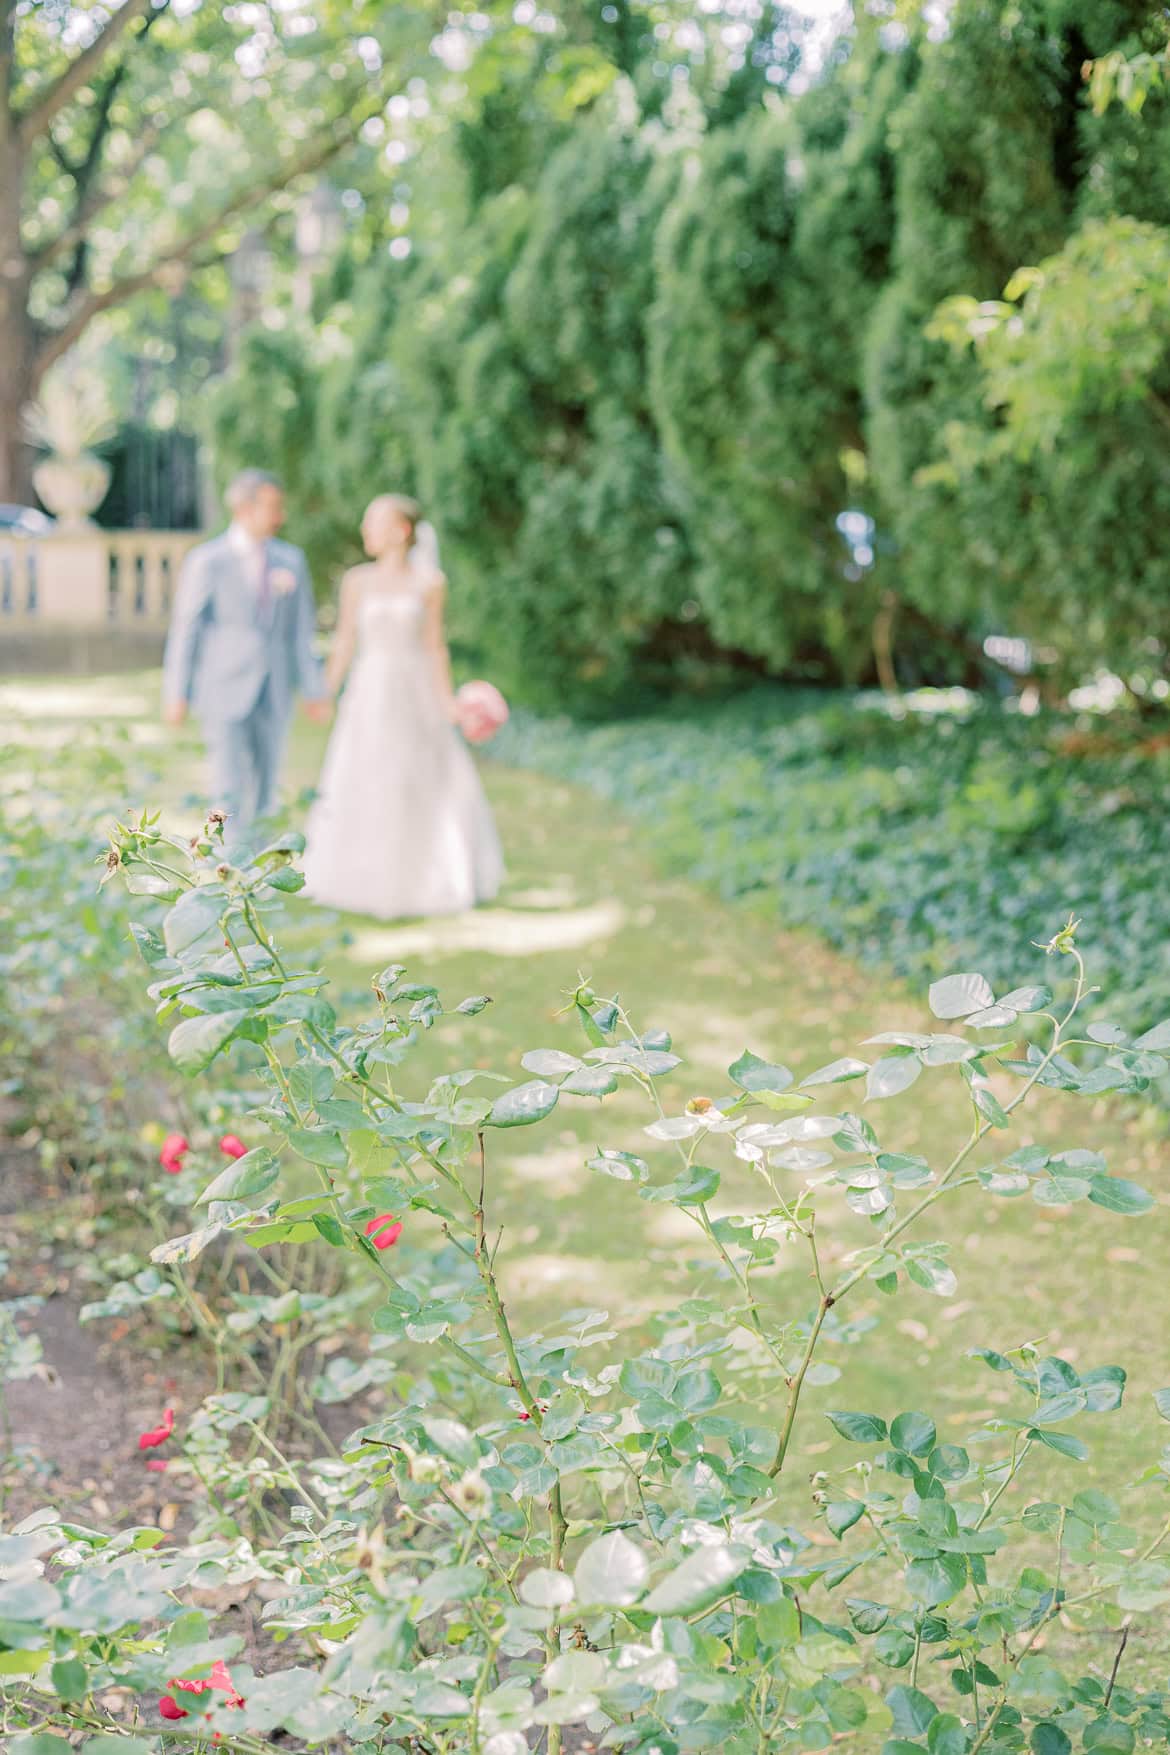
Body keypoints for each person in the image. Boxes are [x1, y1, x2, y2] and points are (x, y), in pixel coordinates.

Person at [302, 493, 503, 919]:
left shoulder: (430, 583)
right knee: (367, 772)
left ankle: (425, 878)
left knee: (418, 773)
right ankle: (360, 876)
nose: (366, 529)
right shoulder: (357, 581)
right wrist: (325, 690)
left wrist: (449, 703)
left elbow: (434, 648)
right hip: (370, 689)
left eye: (374, 521)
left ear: (402, 530)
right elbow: (344, 642)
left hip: (415, 691)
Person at [161, 470, 329, 843]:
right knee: (227, 784)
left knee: (268, 785)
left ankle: (259, 872)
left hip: (275, 688)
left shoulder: (291, 560)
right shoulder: (208, 560)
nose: (279, 516)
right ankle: (229, 868)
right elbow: (186, 629)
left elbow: (302, 630)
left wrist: (314, 689)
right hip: (223, 685)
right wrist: (177, 693)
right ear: (243, 508)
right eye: (272, 507)